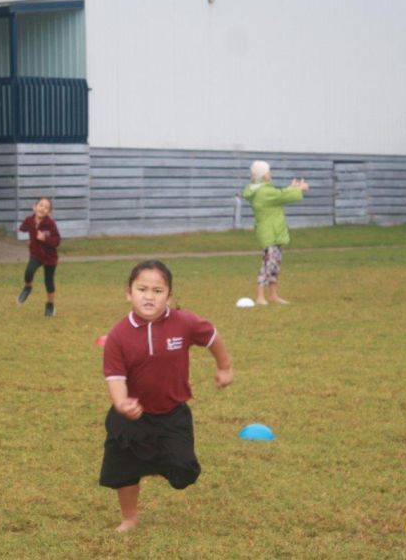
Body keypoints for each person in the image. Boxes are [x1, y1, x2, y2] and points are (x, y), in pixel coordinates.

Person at [99, 259, 233, 532]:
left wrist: (225, 367)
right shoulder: (118, 334)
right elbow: (114, 376)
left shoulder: (184, 322)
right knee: (124, 469)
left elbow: (212, 337)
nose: (149, 296)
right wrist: (122, 403)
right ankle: (129, 518)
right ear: (129, 293)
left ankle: (154, 461)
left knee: (185, 474)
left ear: (169, 296)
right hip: (131, 417)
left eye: (158, 291)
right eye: (142, 289)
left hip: (172, 413)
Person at [243, 160, 309, 305]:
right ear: (263, 176)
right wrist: (299, 189)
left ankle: (273, 295)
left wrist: (291, 188)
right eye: (268, 171)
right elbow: (281, 196)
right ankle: (260, 296)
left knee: (274, 265)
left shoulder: (263, 190)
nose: (270, 174)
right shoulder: (263, 191)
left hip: (274, 231)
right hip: (269, 233)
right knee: (267, 265)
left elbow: (279, 194)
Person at [17, 197, 61, 317]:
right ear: (35, 207)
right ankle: (28, 287)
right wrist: (23, 228)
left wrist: (45, 238)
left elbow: (57, 241)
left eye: (46, 207)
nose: (43, 208)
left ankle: (50, 305)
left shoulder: (50, 224)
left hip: (50, 257)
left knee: (49, 282)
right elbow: (22, 227)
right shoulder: (29, 220)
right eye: (41, 205)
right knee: (29, 272)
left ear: (49, 212)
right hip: (36, 255)